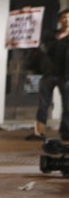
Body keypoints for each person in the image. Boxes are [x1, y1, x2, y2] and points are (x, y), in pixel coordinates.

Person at [27, 8, 69, 141]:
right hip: (48, 75)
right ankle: (39, 132)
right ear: (59, 20)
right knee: (43, 105)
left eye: (68, 17)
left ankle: (66, 131)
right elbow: (35, 39)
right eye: (63, 17)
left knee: (67, 105)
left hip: (66, 76)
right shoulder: (50, 35)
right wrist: (29, 15)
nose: (66, 20)